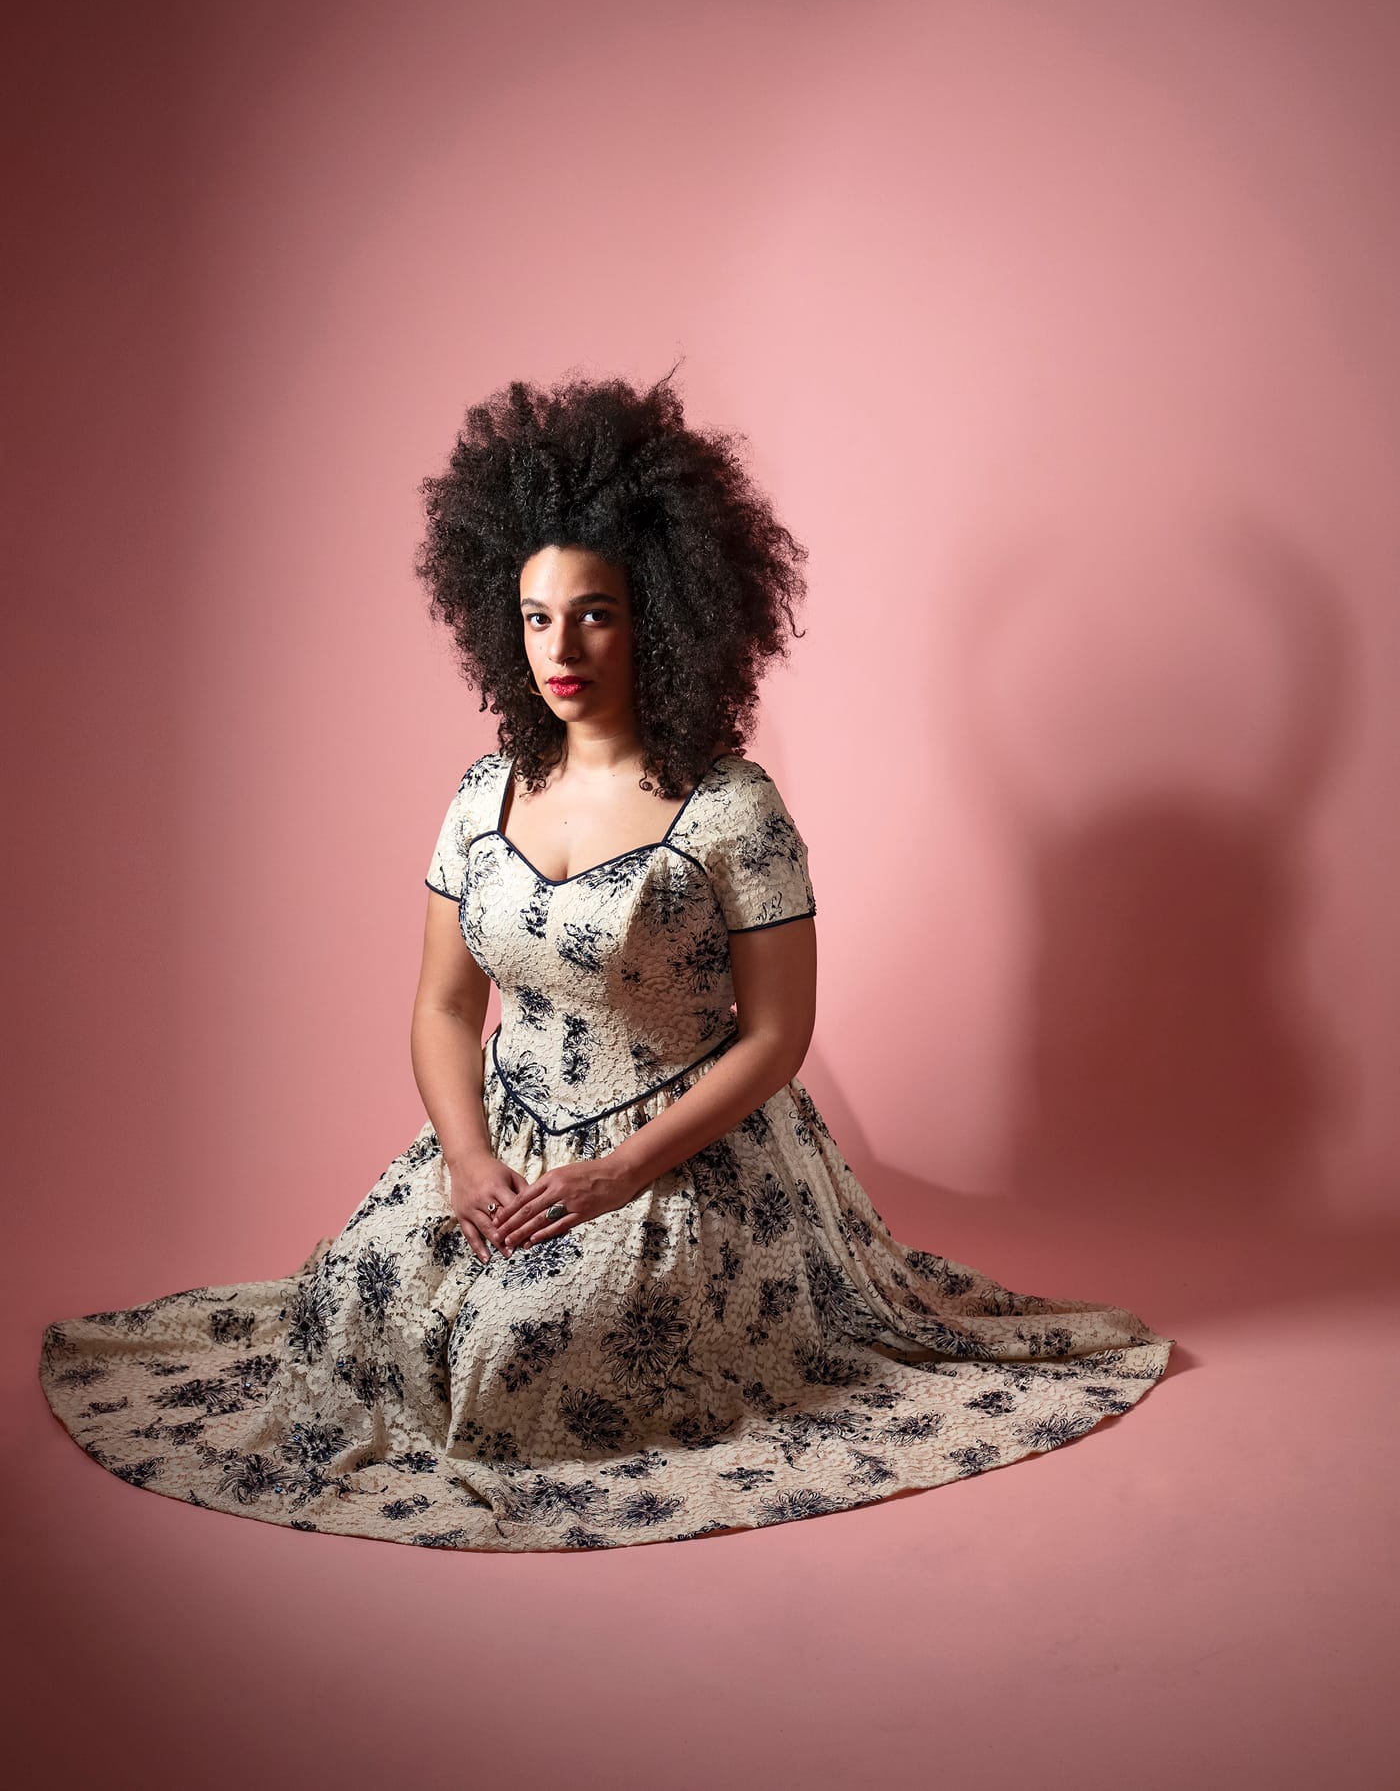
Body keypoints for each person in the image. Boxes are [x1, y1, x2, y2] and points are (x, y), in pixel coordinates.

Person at [38, 368, 1174, 1551]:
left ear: (663, 617)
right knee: (357, 1310)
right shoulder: (481, 795)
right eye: (535, 617)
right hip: (502, 1145)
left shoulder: (730, 809)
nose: (559, 647)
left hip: (681, 1164)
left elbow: (777, 1038)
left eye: (594, 613)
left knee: (518, 1358)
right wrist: (467, 1159)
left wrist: (618, 1175)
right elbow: (442, 1008)